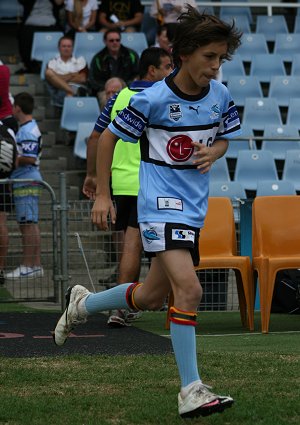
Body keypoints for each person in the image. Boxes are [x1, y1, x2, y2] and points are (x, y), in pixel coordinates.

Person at [54, 7, 242, 419]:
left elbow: (227, 137)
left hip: (192, 209)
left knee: (150, 297)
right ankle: (191, 389)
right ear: (186, 52)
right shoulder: (152, 98)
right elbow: (105, 140)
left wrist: (214, 151)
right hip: (157, 205)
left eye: (221, 59)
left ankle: (83, 305)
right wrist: (103, 195)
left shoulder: (220, 95)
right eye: (210, 57)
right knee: (190, 291)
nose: (216, 66)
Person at [83, 47, 173, 326]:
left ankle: (127, 305)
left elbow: (95, 138)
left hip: (121, 183)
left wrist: (93, 177)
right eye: (168, 66)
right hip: (149, 182)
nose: (172, 72)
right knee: (145, 245)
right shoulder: (161, 96)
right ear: (152, 70)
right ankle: (123, 307)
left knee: (130, 245)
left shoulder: (118, 97)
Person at [6, 93, 44, 280]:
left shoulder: (27, 130)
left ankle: (28, 265)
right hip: (27, 179)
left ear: (18, 108)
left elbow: (30, 157)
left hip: (26, 178)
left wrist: (11, 158)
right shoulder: (29, 128)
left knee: (28, 224)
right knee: (29, 223)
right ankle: (34, 265)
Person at [16, 0, 64, 74]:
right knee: (23, 36)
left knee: (61, 37)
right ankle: (30, 67)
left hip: (51, 22)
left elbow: (60, 3)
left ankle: (56, 66)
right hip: (31, 21)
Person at [88, 29, 139, 95]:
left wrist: (124, 87)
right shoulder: (98, 58)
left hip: (127, 89)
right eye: (111, 41)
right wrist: (108, 87)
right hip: (105, 90)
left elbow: (138, 74)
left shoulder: (132, 55)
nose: (115, 43)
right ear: (105, 41)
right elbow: (93, 79)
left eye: (117, 40)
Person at [45, 35, 88, 107]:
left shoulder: (80, 60)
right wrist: (72, 75)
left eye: (69, 46)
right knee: (48, 72)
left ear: (73, 48)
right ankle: (70, 91)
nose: (66, 49)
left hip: (77, 89)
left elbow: (82, 79)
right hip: (58, 91)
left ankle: (70, 92)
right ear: (59, 48)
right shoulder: (52, 62)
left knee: (69, 95)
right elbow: (50, 79)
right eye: (64, 46)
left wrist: (58, 79)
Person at [0, 122, 17, 286]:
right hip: (5, 183)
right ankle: (1, 268)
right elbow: (15, 160)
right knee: (2, 223)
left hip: (4, 184)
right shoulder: (9, 131)